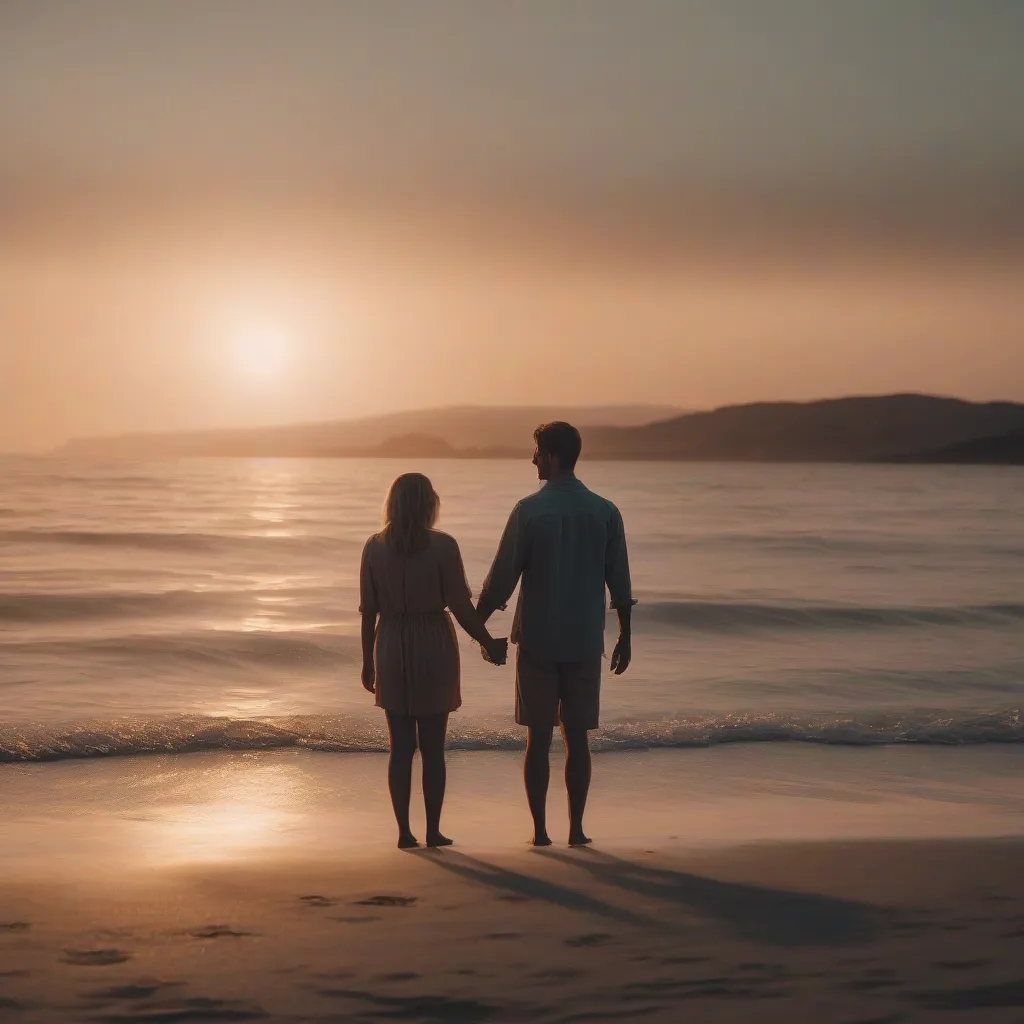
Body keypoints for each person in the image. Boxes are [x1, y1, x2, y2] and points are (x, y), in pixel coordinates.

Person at [477, 422, 634, 847]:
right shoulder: (605, 511)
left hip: (539, 638)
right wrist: (625, 637)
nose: (532, 460)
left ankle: (541, 831)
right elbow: (620, 582)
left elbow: (501, 580)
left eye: (536, 453)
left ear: (551, 456)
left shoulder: (529, 510)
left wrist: (477, 625)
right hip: (584, 638)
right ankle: (577, 829)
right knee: (577, 736)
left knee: (539, 737)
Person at [360, 472, 508, 849]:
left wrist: (367, 661)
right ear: (429, 504)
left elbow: (368, 612)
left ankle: (404, 833)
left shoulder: (374, 547)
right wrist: (488, 641)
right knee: (433, 748)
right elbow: (459, 606)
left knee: (400, 748)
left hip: (390, 642)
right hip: (433, 643)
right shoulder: (443, 546)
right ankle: (432, 831)